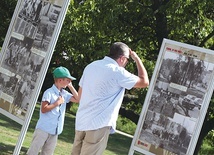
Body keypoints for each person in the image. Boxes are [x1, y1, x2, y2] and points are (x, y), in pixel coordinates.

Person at [71, 42, 149, 155]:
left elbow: (80, 95)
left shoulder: (91, 66)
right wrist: (136, 58)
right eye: (127, 60)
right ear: (122, 58)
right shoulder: (118, 72)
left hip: (81, 121)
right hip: (98, 124)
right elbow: (144, 82)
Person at [27, 66, 79, 155]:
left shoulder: (64, 94)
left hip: (55, 132)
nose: (69, 82)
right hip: (43, 130)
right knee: (33, 152)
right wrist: (57, 103)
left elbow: (78, 99)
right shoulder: (49, 92)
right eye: (68, 80)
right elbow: (43, 109)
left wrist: (70, 87)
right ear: (60, 80)